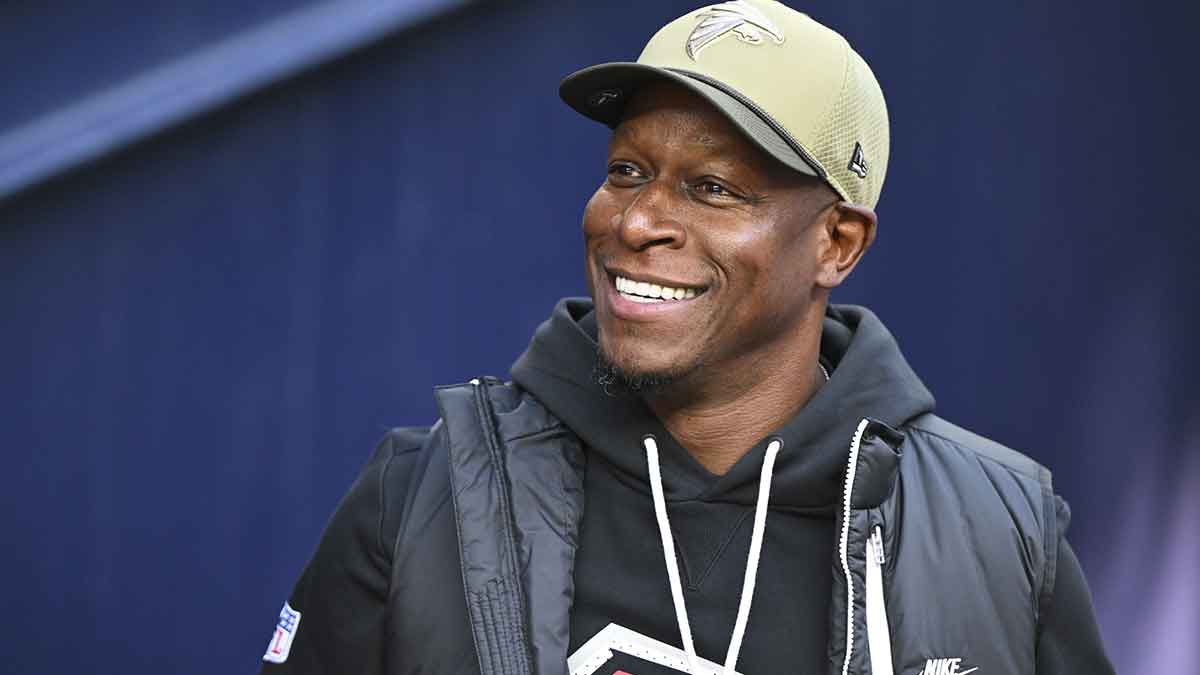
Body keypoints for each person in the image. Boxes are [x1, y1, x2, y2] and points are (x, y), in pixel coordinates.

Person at [261, 2, 1113, 673]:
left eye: (712, 187)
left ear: (836, 244)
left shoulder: (998, 534)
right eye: (626, 171)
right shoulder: (421, 498)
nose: (637, 221)